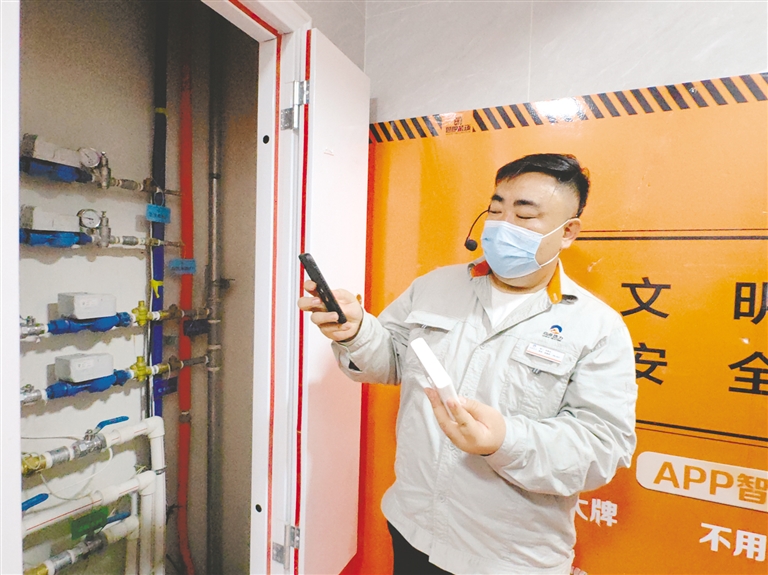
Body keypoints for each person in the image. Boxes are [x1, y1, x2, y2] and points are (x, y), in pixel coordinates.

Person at [297, 153, 637, 574]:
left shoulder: (597, 327)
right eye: (496, 210)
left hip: (507, 558)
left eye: (524, 215)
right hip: (412, 527)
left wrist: (504, 440)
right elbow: (392, 359)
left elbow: (603, 447)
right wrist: (356, 331)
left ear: (567, 232)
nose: (503, 225)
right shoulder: (436, 285)